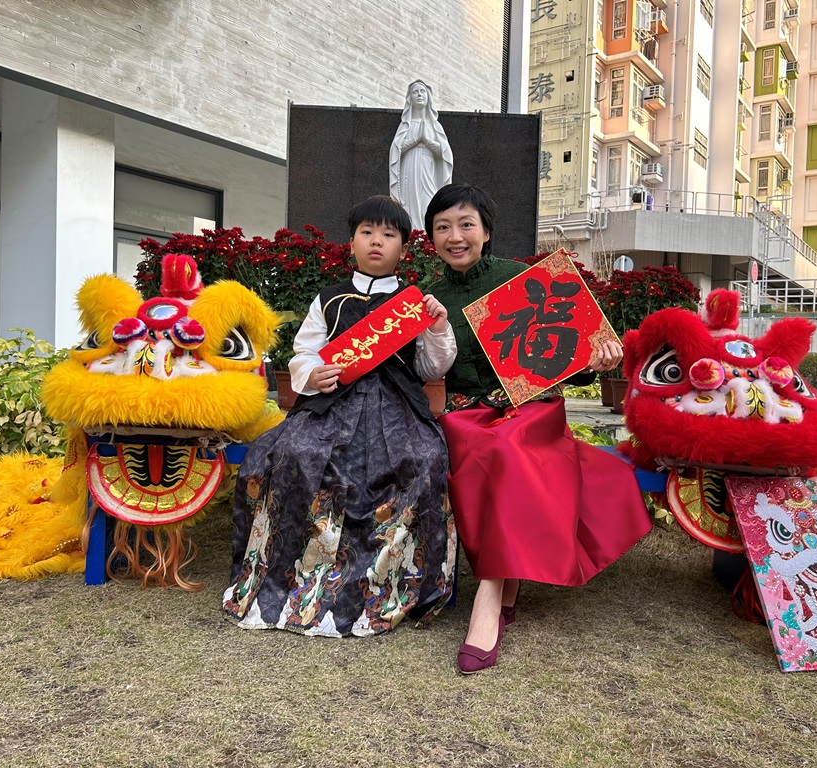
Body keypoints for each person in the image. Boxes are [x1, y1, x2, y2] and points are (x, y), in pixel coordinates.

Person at [425, 184, 652, 673]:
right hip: (466, 415)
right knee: (483, 448)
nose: (455, 236)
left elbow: (565, 354)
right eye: (442, 227)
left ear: (486, 231)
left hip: (529, 410)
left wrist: (596, 359)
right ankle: (507, 580)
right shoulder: (428, 298)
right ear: (432, 238)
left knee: (507, 448)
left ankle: (488, 597)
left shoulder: (522, 280)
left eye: (465, 224)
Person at [223, 195, 458, 638]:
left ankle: (397, 578)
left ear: (403, 249)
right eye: (367, 232)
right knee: (295, 451)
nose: (376, 241)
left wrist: (438, 327)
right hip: (333, 403)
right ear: (351, 242)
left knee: (424, 458)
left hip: (397, 407)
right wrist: (312, 373)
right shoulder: (328, 299)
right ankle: (296, 574)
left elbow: (431, 369)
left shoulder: (413, 304)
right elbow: (303, 352)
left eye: (388, 234)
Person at [389, 80, 453, 232]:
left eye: (422, 91)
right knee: (410, 204)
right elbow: (396, 150)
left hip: (428, 168)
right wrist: (416, 140)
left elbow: (445, 153)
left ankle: (427, 236)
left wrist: (427, 141)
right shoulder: (406, 125)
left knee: (429, 201)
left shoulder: (435, 126)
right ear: (410, 98)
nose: (419, 95)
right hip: (410, 168)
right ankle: (413, 236)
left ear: (428, 96)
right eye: (415, 92)